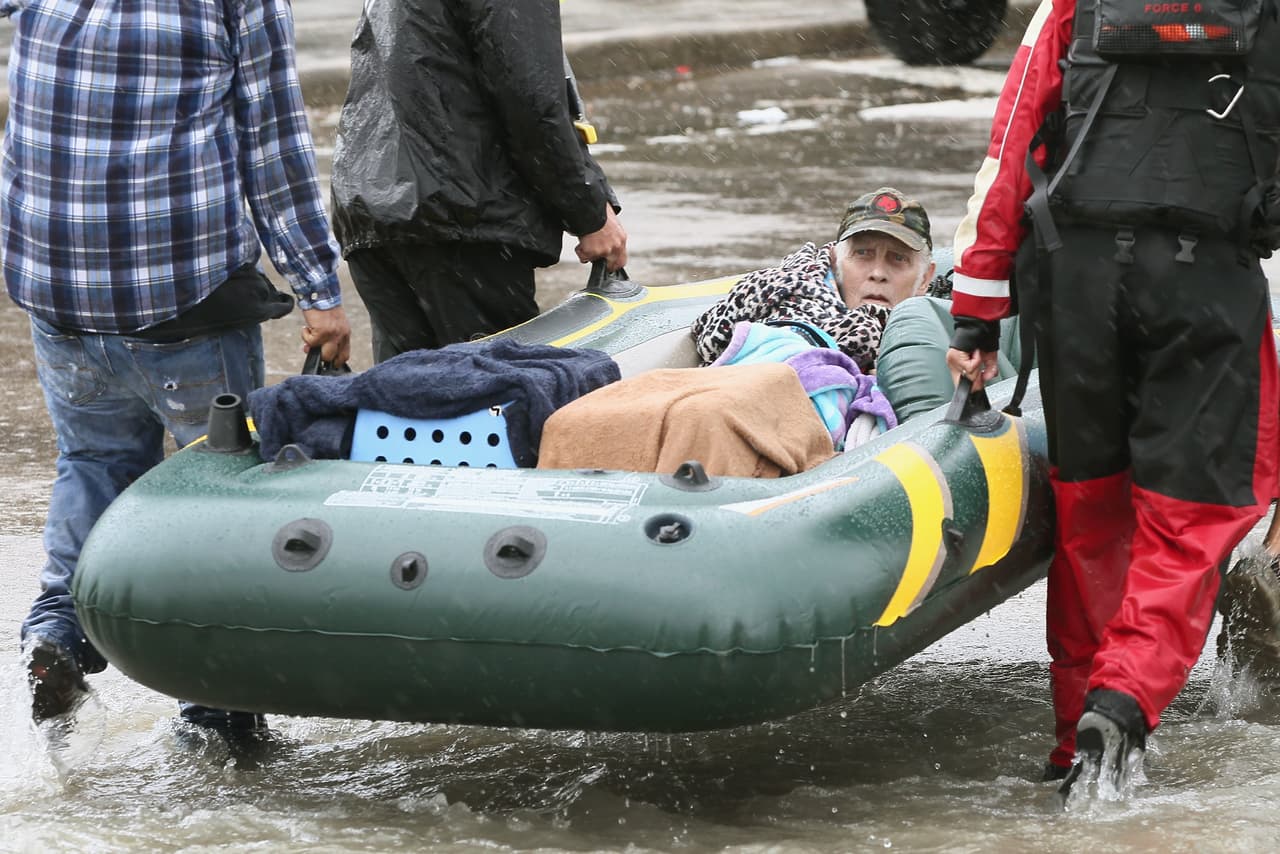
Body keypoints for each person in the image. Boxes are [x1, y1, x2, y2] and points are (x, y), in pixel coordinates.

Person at [945, 0, 1280, 793]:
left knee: (1092, 512)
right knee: (1191, 517)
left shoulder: (1074, 3)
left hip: (1078, 279)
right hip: (1208, 279)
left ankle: (1071, 748)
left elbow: (1013, 137)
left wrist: (977, 310)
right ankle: (1123, 699)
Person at [5, 0, 352, 734]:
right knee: (219, 496)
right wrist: (320, 291)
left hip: (59, 286)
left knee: (93, 461)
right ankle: (216, 714)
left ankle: (58, 632)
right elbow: (274, 146)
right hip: (181, 296)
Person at [329, 0, 628, 364]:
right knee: (498, 401)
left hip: (375, 208)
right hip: (462, 215)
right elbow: (529, 99)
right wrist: (589, 212)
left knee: (411, 399)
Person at [692, 187, 938, 373]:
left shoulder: (944, 341)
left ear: (925, 278)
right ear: (834, 261)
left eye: (897, 258)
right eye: (862, 254)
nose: (877, 273)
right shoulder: (782, 296)